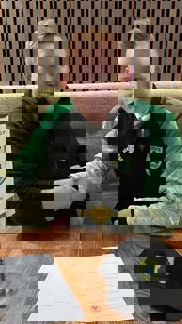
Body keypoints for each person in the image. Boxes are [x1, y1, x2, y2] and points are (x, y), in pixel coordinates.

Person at [70, 18, 182, 234]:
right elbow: (102, 165)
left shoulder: (168, 121)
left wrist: (126, 217)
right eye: (127, 69)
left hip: (156, 231)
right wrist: (66, 186)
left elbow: (175, 208)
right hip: (121, 229)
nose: (131, 76)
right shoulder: (118, 118)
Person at [6, 18, 87, 228]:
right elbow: (13, 196)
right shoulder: (17, 122)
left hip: (72, 230)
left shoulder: (69, 115)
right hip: (33, 235)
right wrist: (73, 191)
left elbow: (82, 172)